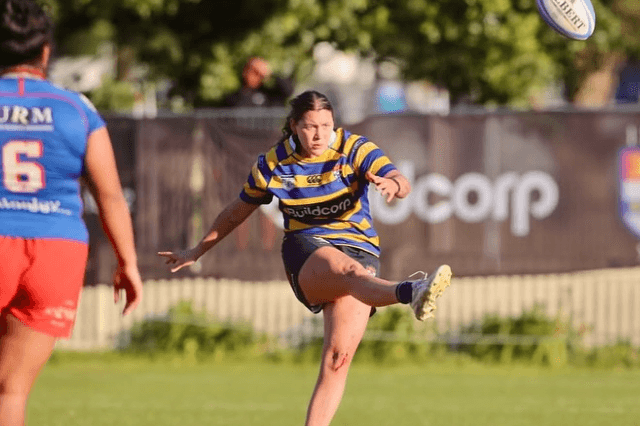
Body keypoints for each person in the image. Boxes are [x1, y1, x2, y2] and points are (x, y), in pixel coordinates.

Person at [159, 90, 452, 426]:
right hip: (306, 247)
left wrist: (392, 184)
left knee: (338, 358)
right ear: (294, 126)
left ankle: (411, 294)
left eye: (325, 125)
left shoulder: (355, 148)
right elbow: (237, 211)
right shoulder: (273, 163)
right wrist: (197, 250)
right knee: (350, 273)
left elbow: (401, 182)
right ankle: (412, 292)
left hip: (359, 245)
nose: (319, 134)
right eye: (310, 126)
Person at [0, 1, 143, 425]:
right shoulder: (77, 108)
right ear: (46, 52)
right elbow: (110, 196)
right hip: (56, 252)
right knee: (11, 390)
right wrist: (128, 263)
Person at [223, 56, 294, 107]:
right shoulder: (233, 98)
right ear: (245, 71)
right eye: (253, 71)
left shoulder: (269, 95)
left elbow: (288, 91)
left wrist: (271, 73)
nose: (254, 76)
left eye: (259, 74)